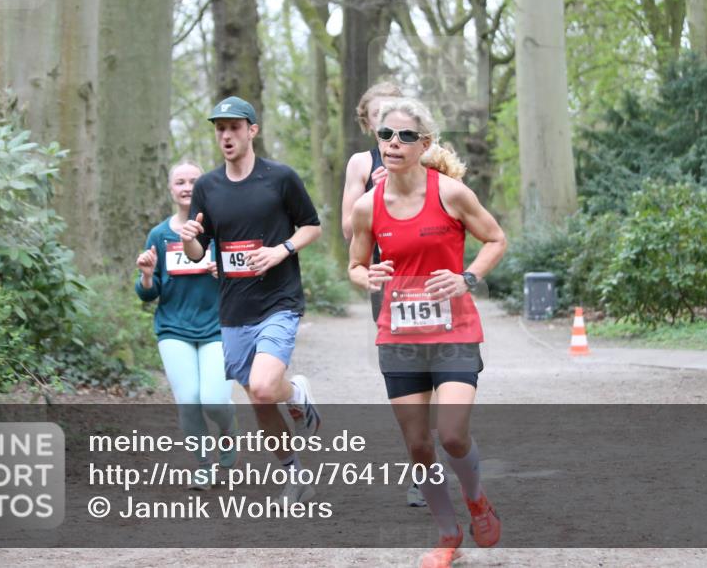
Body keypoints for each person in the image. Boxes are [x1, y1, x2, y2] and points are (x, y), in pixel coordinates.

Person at [348, 98, 508, 567]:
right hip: (398, 339)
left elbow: (496, 239)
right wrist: (367, 277)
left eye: (405, 137)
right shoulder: (366, 206)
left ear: (425, 144)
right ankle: (447, 535)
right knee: (419, 446)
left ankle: (476, 498)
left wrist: (467, 278)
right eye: (385, 136)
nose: (393, 144)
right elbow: (355, 266)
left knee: (453, 435)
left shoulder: (451, 193)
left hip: (453, 328)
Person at [179, 96, 323, 505]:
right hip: (234, 308)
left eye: (234, 127)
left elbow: (312, 227)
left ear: (252, 131)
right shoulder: (207, 186)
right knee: (258, 398)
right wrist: (190, 240)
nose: (226, 135)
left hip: (279, 301)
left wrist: (281, 250)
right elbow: (199, 252)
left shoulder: (280, 178)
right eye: (220, 128)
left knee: (262, 389)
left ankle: (291, 393)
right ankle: (295, 472)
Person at [341, 81, 428, 509]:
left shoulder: (424, 153)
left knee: (439, 368)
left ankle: (439, 450)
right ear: (367, 123)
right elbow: (347, 232)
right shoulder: (360, 163)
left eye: (396, 115)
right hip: (388, 279)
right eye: (379, 118)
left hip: (431, 275)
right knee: (404, 375)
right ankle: (421, 465)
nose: (389, 128)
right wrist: (374, 194)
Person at [135, 160, 238, 490]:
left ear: (204, 186)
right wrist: (147, 275)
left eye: (194, 181)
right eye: (180, 181)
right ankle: (203, 465)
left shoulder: (220, 229)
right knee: (189, 400)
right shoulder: (160, 234)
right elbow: (148, 294)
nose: (187, 187)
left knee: (213, 399)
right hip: (173, 328)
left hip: (217, 326)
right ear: (170, 189)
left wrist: (225, 274)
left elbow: (244, 277)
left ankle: (227, 427)